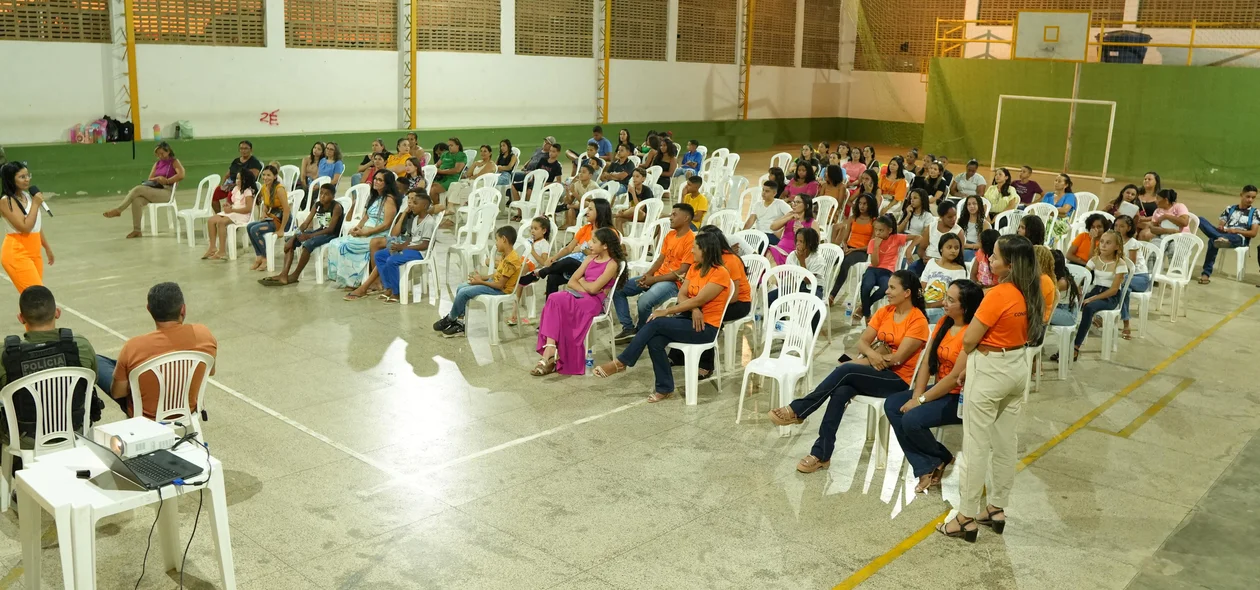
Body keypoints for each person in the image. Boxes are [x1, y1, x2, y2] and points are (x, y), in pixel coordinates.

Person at [769, 270, 929, 473]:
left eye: (892, 288)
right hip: (875, 369)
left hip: (898, 379)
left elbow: (898, 359)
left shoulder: (918, 320)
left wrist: (876, 356)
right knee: (841, 390)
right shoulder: (884, 312)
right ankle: (821, 454)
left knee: (846, 370)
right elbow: (862, 343)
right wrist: (874, 355)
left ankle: (799, 409)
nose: (886, 291)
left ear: (907, 292)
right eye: (887, 287)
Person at [941, 234, 1043, 542]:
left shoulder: (999, 294)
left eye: (994, 257)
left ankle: (965, 516)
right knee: (1004, 442)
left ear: (1009, 264)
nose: (989, 260)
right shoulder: (1034, 290)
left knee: (974, 445)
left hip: (989, 370)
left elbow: (970, 340)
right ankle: (997, 507)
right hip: (1016, 367)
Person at [595, 232, 732, 403]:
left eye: (695, 248)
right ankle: (665, 388)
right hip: (688, 319)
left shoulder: (720, 273)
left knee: (657, 322)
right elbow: (682, 294)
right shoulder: (695, 269)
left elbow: (700, 298)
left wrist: (667, 311)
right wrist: (695, 308)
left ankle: (622, 362)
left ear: (705, 250)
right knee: (655, 341)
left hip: (705, 327)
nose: (692, 251)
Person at [884, 279, 983, 493]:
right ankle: (935, 459)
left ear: (965, 307)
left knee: (911, 419)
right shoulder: (944, 323)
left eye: (950, 299)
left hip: (959, 397)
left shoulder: (971, 333)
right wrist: (917, 395)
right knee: (892, 404)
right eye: (945, 297)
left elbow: (953, 378)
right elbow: (927, 363)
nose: (944, 302)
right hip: (938, 389)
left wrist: (920, 401)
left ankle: (927, 465)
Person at [0, 286, 104, 446]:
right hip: (76, 430)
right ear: (57, 312)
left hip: (25, 439)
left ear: (21, 318)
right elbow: (92, 380)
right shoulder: (80, 346)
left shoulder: (4, 356)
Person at [108, 282, 217, 419]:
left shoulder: (133, 347)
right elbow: (210, 371)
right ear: (183, 309)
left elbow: (118, 393)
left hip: (146, 417)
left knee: (103, 363)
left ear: (149, 309)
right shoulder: (204, 334)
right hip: (188, 411)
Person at [533, 227, 624, 376]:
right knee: (553, 298)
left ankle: (550, 354)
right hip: (579, 294)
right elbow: (571, 282)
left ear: (605, 245)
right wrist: (586, 286)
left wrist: (583, 282)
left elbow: (594, 290)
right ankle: (550, 347)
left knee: (559, 302)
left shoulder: (612, 264)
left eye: (594, 242)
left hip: (593, 302)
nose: (589, 244)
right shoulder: (589, 258)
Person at [613, 204, 695, 342]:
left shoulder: (691, 240)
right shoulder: (670, 235)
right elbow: (660, 259)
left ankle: (641, 331)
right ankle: (628, 328)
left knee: (644, 302)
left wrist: (653, 280)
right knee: (618, 288)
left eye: (674, 215)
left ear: (686, 218)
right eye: (671, 214)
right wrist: (648, 275)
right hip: (658, 277)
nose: (670, 218)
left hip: (674, 283)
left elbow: (681, 272)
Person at [681, 226, 751, 378]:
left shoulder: (730, 260)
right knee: (685, 309)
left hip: (738, 303)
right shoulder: (703, 261)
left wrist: (700, 304)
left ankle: (707, 364)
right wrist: (695, 306)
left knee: (709, 316)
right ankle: (679, 354)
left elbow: (734, 296)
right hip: (709, 301)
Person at [344, 190, 436, 303]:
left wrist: (404, 248)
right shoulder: (416, 218)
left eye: (415, 203)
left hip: (420, 252)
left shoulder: (429, 222)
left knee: (392, 260)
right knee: (379, 255)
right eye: (410, 201)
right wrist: (401, 245)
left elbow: (424, 245)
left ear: (425, 206)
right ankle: (388, 288)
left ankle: (396, 293)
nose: (411, 204)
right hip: (410, 247)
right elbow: (412, 238)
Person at [433, 226, 523, 338]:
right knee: (461, 287)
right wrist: (482, 277)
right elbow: (497, 275)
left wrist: (480, 282)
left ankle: (450, 318)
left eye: (496, 239)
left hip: (501, 290)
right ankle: (459, 323)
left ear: (504, 239)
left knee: (463, 293)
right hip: (494, 284)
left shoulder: (512, 260)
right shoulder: (506, 255)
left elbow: (500, 285)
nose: (495, 243)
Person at [521, 198, 615, 295]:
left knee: (569, 261)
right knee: (553, 277)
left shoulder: (609, 233)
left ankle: (541, 272)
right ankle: (550, 307)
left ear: (600, 211)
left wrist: (582, 250)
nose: (587, 211)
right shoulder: (585, 228)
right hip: (577, 267)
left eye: (590, 209)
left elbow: (606, 257)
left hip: (594, 268)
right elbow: (569, 248)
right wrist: (554, 258)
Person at [261, 184, 344, 286]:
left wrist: (309, 236)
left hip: (332, 234)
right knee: (290, 242)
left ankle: (295, 275)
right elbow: (305, 223)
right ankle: (284, 274)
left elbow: (330, 229)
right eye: (321, 193)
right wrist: (294, 237)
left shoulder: (336, 207)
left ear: (333, 196)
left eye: (326, 194)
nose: (322, 196)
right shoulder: (317, 205)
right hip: (321, 231)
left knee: (308, 243)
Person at [326, 172, 400, 288]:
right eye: (375, 179)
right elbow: (366, 216)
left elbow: (386, 224)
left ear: (387, 184)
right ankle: (346, 280)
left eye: (380, 180)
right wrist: (358, 227)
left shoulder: (389, 199)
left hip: (379, 234)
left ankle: (360, 281)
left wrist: (367, 232)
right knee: (335, 243)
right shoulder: (375, 197)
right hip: (365, 232)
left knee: (347, 245)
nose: (376, 181)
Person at [1067, 230, 1129, 360]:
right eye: (1101, 242)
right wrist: (1077, 289)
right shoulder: (1094, 260)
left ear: (1117, 247)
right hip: (1095, 290)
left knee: (1089, 307)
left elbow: (1114, 290)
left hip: (1110, 296)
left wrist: (1092, 298)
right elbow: (1083, 277)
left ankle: (1076, 346)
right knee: (1071, 303)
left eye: (1108, 243)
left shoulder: (1120, 264)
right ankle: (1066, 342)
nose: (1103, 245)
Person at [103, 141, 185, 238]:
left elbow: (181, 175)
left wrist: (167, 181)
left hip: (167, 191)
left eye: (162, 153)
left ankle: (119, 210)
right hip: (155, 189)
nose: (160, 156)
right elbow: (150, 178)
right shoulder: (157, 164)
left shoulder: (174, 162)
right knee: (136, 200)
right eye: (158, 154)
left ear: (168, 151)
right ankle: (137, 230)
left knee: (138, 189)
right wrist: (158, 179)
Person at [0, 163, 53, 293]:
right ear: (11, 179)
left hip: (34, 251)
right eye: (22, 177)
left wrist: (46, 247)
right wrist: (35, 204)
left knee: (33, 296)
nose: (27, 179)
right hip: (17, 252)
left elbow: (36, 225)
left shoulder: (28, 196)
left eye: (28, 175)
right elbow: (25, 227)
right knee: (36, 296)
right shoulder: (6, 201)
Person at [855, 214, 917, 319]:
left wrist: (909, 249)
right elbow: (874, 263)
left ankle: (864, 307)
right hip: (873, 269)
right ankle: (867, 315)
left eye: (881, 230)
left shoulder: (896, 238)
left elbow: (918, 237)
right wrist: (876, 247)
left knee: (885, 288)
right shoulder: (873, 242)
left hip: (887, 271)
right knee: (866, 286)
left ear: (889, 230)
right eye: (876, 230)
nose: (878, 233)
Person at [1197, 185, 1259, 284]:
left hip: (1239, 237)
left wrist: (1236, 231)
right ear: (1241, 195)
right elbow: (1221, 224)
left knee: (1212, 240)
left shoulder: (1255, 212)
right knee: (1200, 219)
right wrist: (1221, 228)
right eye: (1248, 196)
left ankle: (1206, 274)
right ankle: (1219, 237)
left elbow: (1253, 233)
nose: (1250, 200)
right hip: (1225, 234)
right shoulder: (1230, 209)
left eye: (1253, 197)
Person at [828, 193, 874, 300]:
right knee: (830, 258)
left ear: (870, 205)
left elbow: (870, 245)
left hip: (861, 251)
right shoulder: (853, 218)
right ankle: (821, 288)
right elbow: (845, 239)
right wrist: (845, 247)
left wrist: (854, 249)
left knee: (845, 263)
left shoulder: (874, 221)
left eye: (865, 204)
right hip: (848, 247)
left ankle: (832, 295)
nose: (862, 206)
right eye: (860, 203)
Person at [203, 169, 256, 261]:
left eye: (240, 179)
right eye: (237, 179)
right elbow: (233, 202)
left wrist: (232, 210)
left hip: (242, 214)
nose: (237, 181)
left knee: (221, 222)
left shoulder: (248, 191)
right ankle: (212, 247)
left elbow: (248, 209)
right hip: (233, 211)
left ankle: (222, 251)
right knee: (211, 220)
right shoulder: (235, 189)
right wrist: (228, 205)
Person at [245, 165, 291, 271]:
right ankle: (259, 257)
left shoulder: (279, 189)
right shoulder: (264, 187)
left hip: (282, 220)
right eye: (264, 175)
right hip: (272, 217)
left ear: (275, 176)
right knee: (250, 227)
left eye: (269, 175)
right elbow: (265, 204)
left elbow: (286, 210)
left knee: (255, 230)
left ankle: (266, 258)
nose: (265, 177)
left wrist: (281, 230)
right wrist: (264, 212)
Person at [509, 216, 553, 325]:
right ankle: (514, 313)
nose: (532, 231)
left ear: (544, 231)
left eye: (535, 228)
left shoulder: (544, 244)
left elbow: (544, 262)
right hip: (522, 264)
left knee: (516, 272)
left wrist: (531, 250)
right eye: (531, 228)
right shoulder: (530, 241)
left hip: (532, 270)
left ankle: (507, 277)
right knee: (507, 263)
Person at [920, 233, 968, 323]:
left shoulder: (960, 270)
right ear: (941, 248)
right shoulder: (931, 262)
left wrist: (930, 305)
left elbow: (953, 297)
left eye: (956, 248)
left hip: (943, 308)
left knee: (918, 316)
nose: (953, 251)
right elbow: (923, 285)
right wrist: (920, 301)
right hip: (925, 302)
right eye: (949, 247)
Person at [1113, 215, 1147, 338]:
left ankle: (1102, 318)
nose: (1118, 228)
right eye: (1116, 225)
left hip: (1139, 278)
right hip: (1124, 278)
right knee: (1124, 290)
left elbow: (1130, 267)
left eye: (1122, 226)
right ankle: (1126, 323)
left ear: (1128, 228)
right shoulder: (1114, 241)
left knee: (1117, 282)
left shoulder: (1133, 243)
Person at [909, 200, 961, 276]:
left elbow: (959, 257)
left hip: (947, 265)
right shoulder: (931, 227)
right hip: (927, 262)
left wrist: (936, 262)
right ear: (941, 217)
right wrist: (924, 258)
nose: (953, 219)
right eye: (950, 217)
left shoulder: (959, 232)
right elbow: (921, 249)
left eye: (955, 216)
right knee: (911, 270)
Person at [209, 140, 263, 214]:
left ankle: (231, 215)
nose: (243, 150)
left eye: (246, 148)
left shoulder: (254, 162)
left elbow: (252, 177)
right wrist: (223, 184)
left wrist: (237, 185)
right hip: (230, 184)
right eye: (241, 148)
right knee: (214, 194)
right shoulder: (236, 161)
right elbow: (228, 174)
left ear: (251, 150)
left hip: (243, 186)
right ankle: (219, 214)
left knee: (231, 195)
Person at [770, 193, 817, 266]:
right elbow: (773, 227)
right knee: (769, 252)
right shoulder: (790, 215)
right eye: (794, 202)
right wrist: (789, 217)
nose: (794, 204)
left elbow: (816, 242)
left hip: (795, 253)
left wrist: (803, 231)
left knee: (770, 255)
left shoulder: (812, 222)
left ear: (807, 206)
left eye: (798, 202)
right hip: (780, 249)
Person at [744, 180, 791, 245]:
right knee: (742, 241)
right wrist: (742, 234)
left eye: (767, 191)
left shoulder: (780, 203)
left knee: (758, 243)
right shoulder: (757, 204)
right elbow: (750, 222)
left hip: (772, 235)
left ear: (774, 193)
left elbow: (792, 214)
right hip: (758, 233)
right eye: (763, 190)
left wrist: (782, 224)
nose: (763, 193)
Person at [429, 137, 468, 206]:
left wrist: (440, 171)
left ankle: (437, 208)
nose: (449, 147)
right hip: (441, 177)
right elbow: (437, 165)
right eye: (449, 145)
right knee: (428, 186)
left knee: (433, 190)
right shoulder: (445, 154)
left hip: (452, 178)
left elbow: (457, 170)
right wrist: (430, 169)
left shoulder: (461, 155)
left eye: (451, 145)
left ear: (457, 146)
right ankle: (437, 206)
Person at [1048, 249, 1081, 328]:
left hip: (1067, 314)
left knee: (1038, 314)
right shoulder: (1056, 276)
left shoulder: (1062, 282)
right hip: (1057, 308)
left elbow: (1046, 295)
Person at [612, 167, 649, 233]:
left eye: (637, 176)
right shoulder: (631, 190)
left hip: (645, 215)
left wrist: (633, 193)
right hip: (633, 214)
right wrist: (625, 210)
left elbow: (640, 208)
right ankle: (621, 241)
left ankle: (618, 214)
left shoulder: (646, 191)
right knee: (618, 220)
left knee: (635, 209)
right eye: (633, 176)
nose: (634, 178)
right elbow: (630, 205)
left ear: (643, 178)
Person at [957, 195, 991, 263]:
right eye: (969, 204)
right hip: (961, 247)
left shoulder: (985, 224)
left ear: (979, 205)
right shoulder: (960, 221)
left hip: (975, 250)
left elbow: (983, 245)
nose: (971, 206)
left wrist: (966, 245)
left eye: (974, 203)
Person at [570, 164, 603, 229]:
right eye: (580, 172)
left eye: (584, 172)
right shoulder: (577, 184)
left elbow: (586, 203)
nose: (580, 174)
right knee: (570, 210)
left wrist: (574, 193)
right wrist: (568, 192)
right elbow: (569, 201)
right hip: (583, 207)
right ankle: (575, 234)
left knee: (583, 204)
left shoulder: (593, 186)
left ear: (590, 176)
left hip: (595, 208)